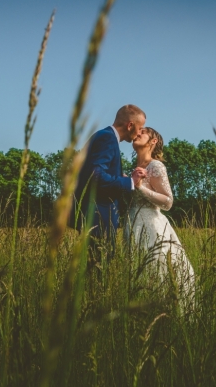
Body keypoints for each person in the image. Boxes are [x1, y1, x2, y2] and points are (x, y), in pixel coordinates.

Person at [124, 127, 195, 303]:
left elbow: (168, 202)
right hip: (132, 225)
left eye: (143, 132)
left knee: (157, 272)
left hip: (152, 227)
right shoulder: (135, 169)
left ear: (153, 141)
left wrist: (140, 187)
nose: (137, 133)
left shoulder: (155, 166)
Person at [69, 104, 147, 259]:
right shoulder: (108, 138)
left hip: (93, 215)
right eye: (140, 128)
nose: (139, 133)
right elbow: (95, 175)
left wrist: (119, 176)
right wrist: (130, 182)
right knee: (98, 271)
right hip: (98, 218)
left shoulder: (102, 135)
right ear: (130, 125)